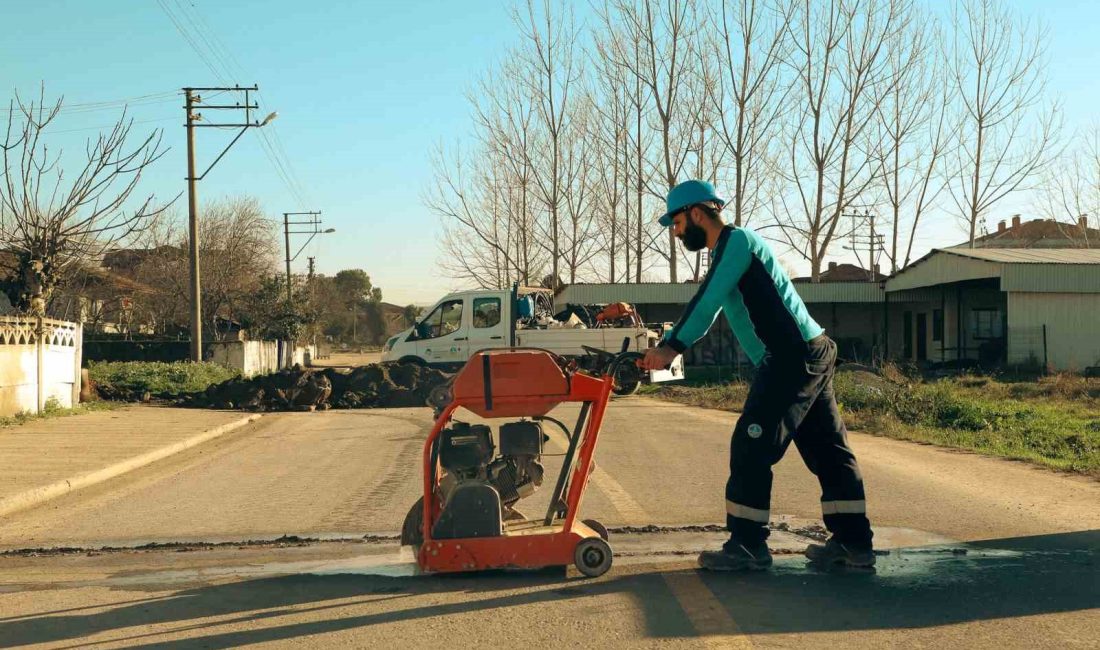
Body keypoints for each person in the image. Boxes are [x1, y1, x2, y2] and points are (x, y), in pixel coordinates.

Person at [639, 180, 875, 571]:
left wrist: (671, 348)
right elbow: (712, 307)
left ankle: (747, 546)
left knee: (751, 444)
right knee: (827, 451)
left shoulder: (736, 241)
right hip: (807, 353)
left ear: (697, 213)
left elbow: (707, 301)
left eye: (677, 222)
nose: (676, 231)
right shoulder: (729, 252)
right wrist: (669, 341)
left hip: (792, 357)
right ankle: (853, 543)